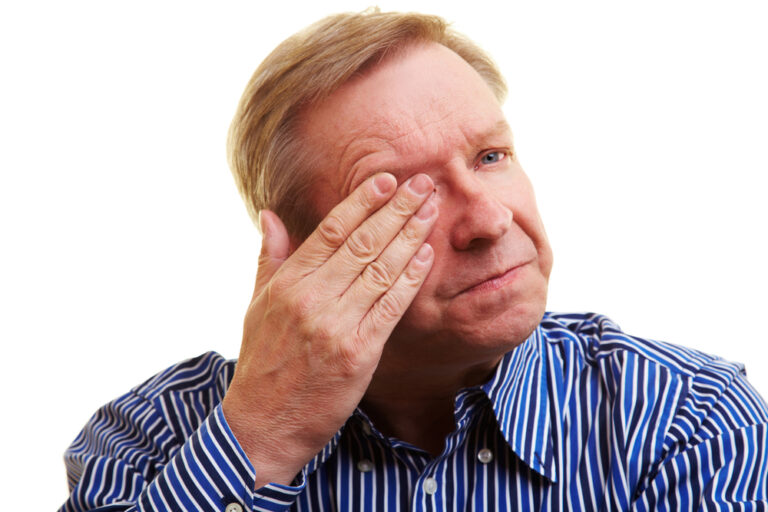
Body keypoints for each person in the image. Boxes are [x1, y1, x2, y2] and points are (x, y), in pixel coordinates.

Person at [60, 9, 768, 512]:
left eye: (491, 157)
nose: (490, 221)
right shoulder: (144, 442)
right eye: (407, 196)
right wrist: (259, 440)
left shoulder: (689, 419)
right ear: (300, 260)